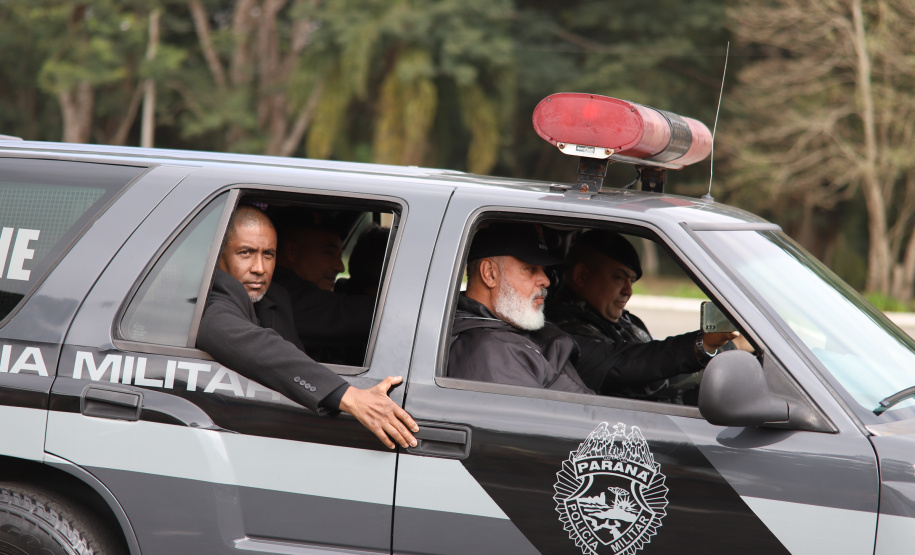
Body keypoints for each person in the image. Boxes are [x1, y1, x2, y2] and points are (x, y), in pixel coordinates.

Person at [196, 204, 418, 449]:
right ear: (217, 255)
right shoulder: (212, 299)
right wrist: (350, 396)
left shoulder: (276, 298)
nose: (259, 268)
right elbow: (247, 340)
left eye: (268, 254)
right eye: (246, 253)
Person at [546, 229, 738, 403]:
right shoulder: (566, 332)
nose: (628, 291)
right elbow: (632, 367)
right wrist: (704, 345)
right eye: (619, 278)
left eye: (631, 281)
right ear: (581, 275)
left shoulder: (622, 320)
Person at [448, 222, 593, 394]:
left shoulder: (508, 329)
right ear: (490, 273)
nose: (545, 280)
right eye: (531, 269)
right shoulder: (491, 352)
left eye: (543, 270)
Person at [270, 212, 375, 365]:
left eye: (340, 255)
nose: (340, 266)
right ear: (291, 251)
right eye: (329, 253)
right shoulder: (281, 294)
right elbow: (343, 312)